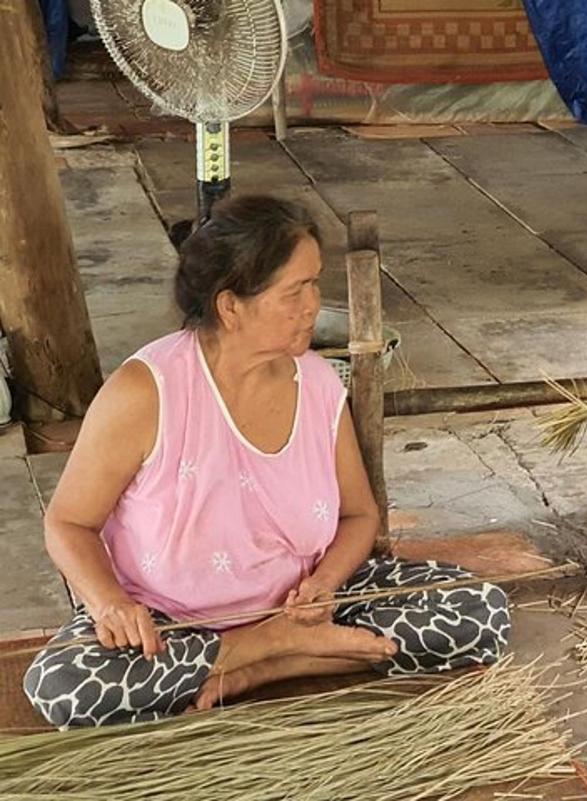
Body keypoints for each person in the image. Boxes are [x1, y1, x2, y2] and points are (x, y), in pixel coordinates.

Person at [24, 196, 511, 728]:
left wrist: (324, 584)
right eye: (293, 291)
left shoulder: (320, 384)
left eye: (314, 283)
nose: (312, 305)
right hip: (172, 622)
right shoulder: (146, 391)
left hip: (303, 606)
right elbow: (68, 523)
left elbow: (358, 516)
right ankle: (278, 649)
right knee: (66, 685)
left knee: (480, 608)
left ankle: (255, 669)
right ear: (230, 306)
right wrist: (110, 603)